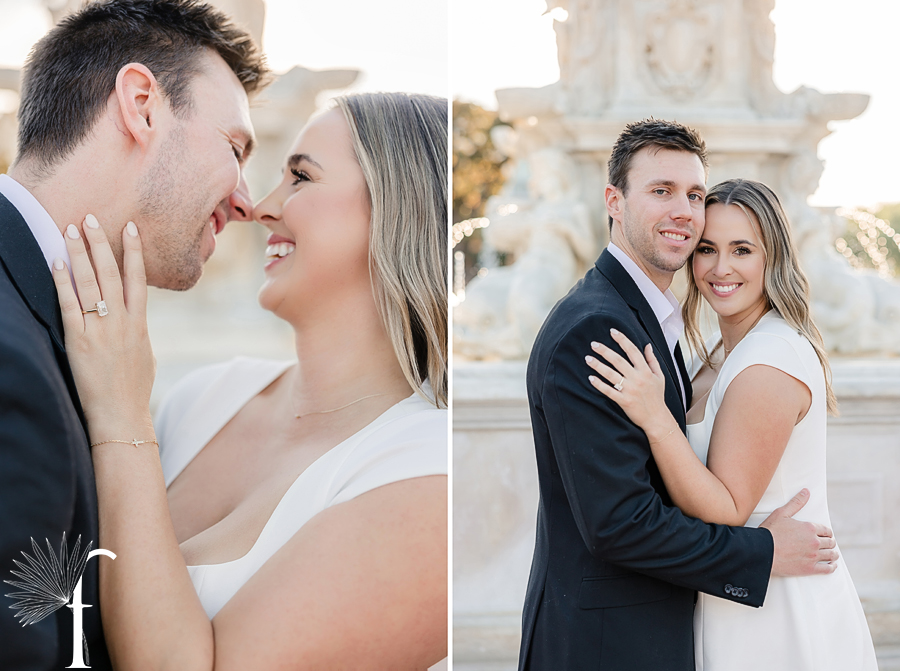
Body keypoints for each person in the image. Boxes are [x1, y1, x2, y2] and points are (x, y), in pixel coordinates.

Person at [51, 90, 448, 669]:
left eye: (301, 178)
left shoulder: (428, 471)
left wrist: (121, 414)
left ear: (400, 207)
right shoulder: (202, 400)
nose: (260, 207)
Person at [518, 119, 839, 670]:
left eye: (693, 194)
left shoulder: (650, 320)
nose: (684, 211)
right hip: (608, 647)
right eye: (661, 191)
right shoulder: (598, 328)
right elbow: (620, 523)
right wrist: (761, 553)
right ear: (614, 201)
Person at [0, 1, 265, 667]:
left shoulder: (40, 320)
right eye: (235, 149)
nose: (246, 201)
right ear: (142, 104)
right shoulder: (11, 352)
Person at [585, 178, 877, 670]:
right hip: (736, 594)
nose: (721, 268)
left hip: (777, 613)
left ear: (772, 257)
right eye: (707, 249)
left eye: (742, 250)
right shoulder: (721, 352)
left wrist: (655, 418)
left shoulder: (769, 359)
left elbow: (727, 510)